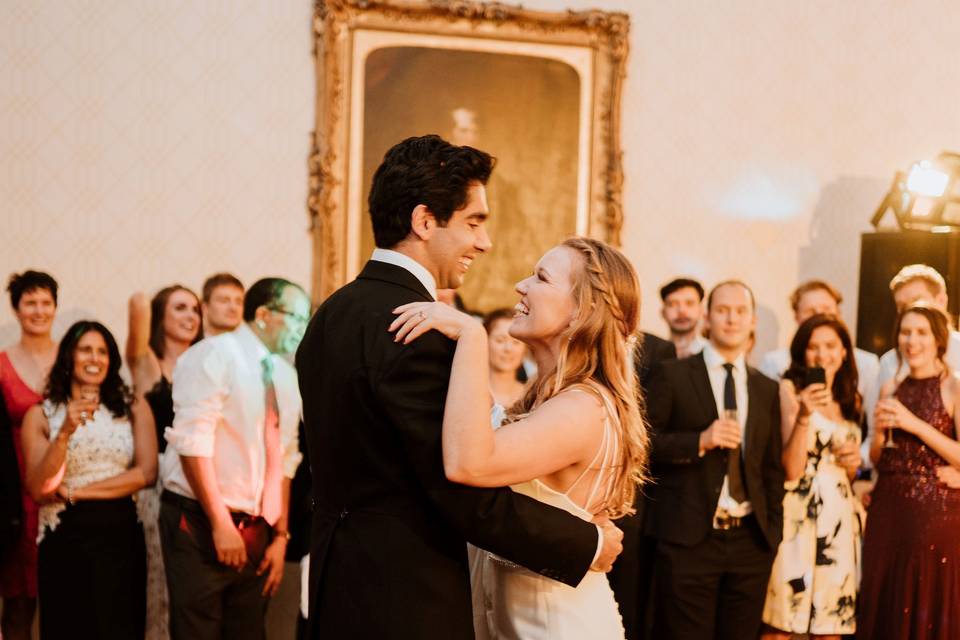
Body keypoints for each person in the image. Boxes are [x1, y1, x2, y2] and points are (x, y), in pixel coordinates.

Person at [296, 135, 623, 639]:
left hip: (336, 586)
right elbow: (458, 487)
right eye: (474, 222)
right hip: (405, 601)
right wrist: (585, 543)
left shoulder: (332, 315)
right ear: (425, 221)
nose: (485, 243)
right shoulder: (416, 330)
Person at [392, 236, 648, 638]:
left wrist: (472, 338)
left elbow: (468, 463)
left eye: (541, 278)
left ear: (582, 311)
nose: (521, 286)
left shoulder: (584, 407)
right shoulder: (547, 398)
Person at [160, 277, 307, 640]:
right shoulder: (214, 354)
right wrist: (220, 524)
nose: (302, 329)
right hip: (200, 521)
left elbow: (286, 459)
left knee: (249, 631)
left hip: (259, 527)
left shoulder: (287, 377)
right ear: (263, 314)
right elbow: (193, 442)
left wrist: (280, 536)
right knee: (198, 631)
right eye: (297, 318)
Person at [645, 280, 785, 640]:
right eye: (723, 310)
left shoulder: (766, 388)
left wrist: (772, 533)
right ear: (707, 317)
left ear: (752, 321)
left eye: (741, 312)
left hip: (750, 542)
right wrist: (699, 441)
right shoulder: (672, 374)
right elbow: (644, 446)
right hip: (689, 540)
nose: (732, 319)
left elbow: (771, 468)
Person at [21, 321, 157, 639]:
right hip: (65, 535)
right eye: (86, 349)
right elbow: (40, 488)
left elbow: (146, 473)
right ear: (69, 356)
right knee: (70, 626)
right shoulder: (41, 414)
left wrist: (77, 492)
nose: (94, 358)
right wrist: (65, 432)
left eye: (102, 351)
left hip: (121, 533)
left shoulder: (133, 407)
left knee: (120, 626)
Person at [857, 304, 960, 639]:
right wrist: (881, 434)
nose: (911, 340)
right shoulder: (889, 388)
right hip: (888, 506)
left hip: (934, 511)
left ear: (937, 339)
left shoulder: (953, 388)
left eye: (920, 333)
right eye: (905, 332)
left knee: (925, 596)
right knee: (883, 594)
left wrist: (912, 424)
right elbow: (875, 455)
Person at [761, 314, 864, 639]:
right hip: (797, 516)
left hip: (838, 518)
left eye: (831, 346)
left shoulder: (851, 399)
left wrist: (853, 463)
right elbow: (790, 469)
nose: (822, 354)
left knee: (830, 623)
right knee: (783, 623)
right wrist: (805, 414)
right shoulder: (789, 389)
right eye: (813, 347)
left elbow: (848, 473)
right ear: (802, 353)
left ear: (845, 351)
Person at [126, 285, 202, 640]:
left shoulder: (205, 364)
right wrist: (150, 303)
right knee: (156, 582)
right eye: (181, 308)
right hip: (154, 484)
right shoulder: (147, 363)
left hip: (196, 481)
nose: (191, 316)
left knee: (188, 587)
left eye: (195, 310)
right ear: (162, 317)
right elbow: (138, 304)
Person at [0, 270, 58, 640]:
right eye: (30, 302)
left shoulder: (73, 359)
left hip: (62, 487)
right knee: (18, 604)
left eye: (46, 302)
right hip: (13, 494)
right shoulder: (1, 364)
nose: (39, 310)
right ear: (17, 310)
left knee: (64, 597)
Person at [863, 265, 960, 466]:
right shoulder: (889, 362)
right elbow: (876, 438)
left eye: (916, 300)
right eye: (901, 305)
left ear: (941, 300)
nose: (908, 310)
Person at [757, 279, 879, 401]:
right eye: (811, 311)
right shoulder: (774, 363)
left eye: (826, 310)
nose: (819, 316)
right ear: (796, 317)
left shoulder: (867, 364)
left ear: (838, 313)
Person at [483, 308, 527, 407]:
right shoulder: (471, 393)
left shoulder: (532, 397)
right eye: (500, 340)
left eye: (516, 342)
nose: (508, 349)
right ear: (485, 342)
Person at [659, 278, 707, 358]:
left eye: (689, 303)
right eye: (673, 304)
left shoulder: (714, 353)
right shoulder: (652, 356)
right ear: (663, 312)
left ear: (701, 311)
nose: (681, 311)